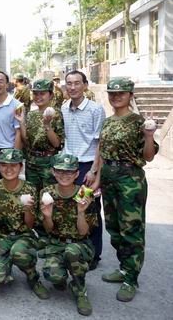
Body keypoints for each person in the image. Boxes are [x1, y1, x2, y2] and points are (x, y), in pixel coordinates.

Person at [98, 78, 158, 302]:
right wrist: (97, 176)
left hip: (130, 179)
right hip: (109, 177)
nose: (116, 97)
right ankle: (124, 268)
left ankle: (131, 279)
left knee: (131, 230)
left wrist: (149, 136)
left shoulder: (138, 122)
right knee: (114, 227)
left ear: (130, 95)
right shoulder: (108, 121)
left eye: (121, 93)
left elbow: (148, 157)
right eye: (112, 93)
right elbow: (102, 152)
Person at [0, 149, 49, 299]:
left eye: (13, 165)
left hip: (23, 235)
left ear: (20, 167)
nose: (8, 169)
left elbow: (30, 225)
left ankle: (33, 277)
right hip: (0, 236)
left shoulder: (29, 188)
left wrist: (28, 210)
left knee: (19, 252)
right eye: (4, 165)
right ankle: (6, 265)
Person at [40, 153, 97, 316]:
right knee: (53, 276)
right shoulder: (47, 193)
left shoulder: (85, 194)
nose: (64, 175)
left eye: (69, 172)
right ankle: (62, 274)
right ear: (53, 172)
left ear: (77, 174)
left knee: (72, 251)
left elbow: (84, 232)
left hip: (79, 244)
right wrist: (47, 216)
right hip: (56, 243)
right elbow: (48, 229)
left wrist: (81, 212)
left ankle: (80, 290)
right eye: (60, 171)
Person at [61, 70, 105, 270]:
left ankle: (94, 254)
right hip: (69, 166)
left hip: (88, 166)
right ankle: (74, 250)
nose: (73, 87)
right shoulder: (64, 108)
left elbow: (100, 143)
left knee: (91, 210)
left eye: (77, 83)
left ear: (85, 85)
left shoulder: (95, 109)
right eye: (69, 83)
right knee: (72, 209)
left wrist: (94, 171)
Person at [18, 79, 64, 191]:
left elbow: (57, 144)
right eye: (35, 93)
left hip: (48, 163)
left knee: (48, 196)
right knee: (32, 194)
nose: (38, 97)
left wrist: (47, 125)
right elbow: (27, 140)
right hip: (31, 162)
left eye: (42, 93)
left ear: (51, 95)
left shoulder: (56, 114)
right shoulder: (31, 114)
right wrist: (21, 122)